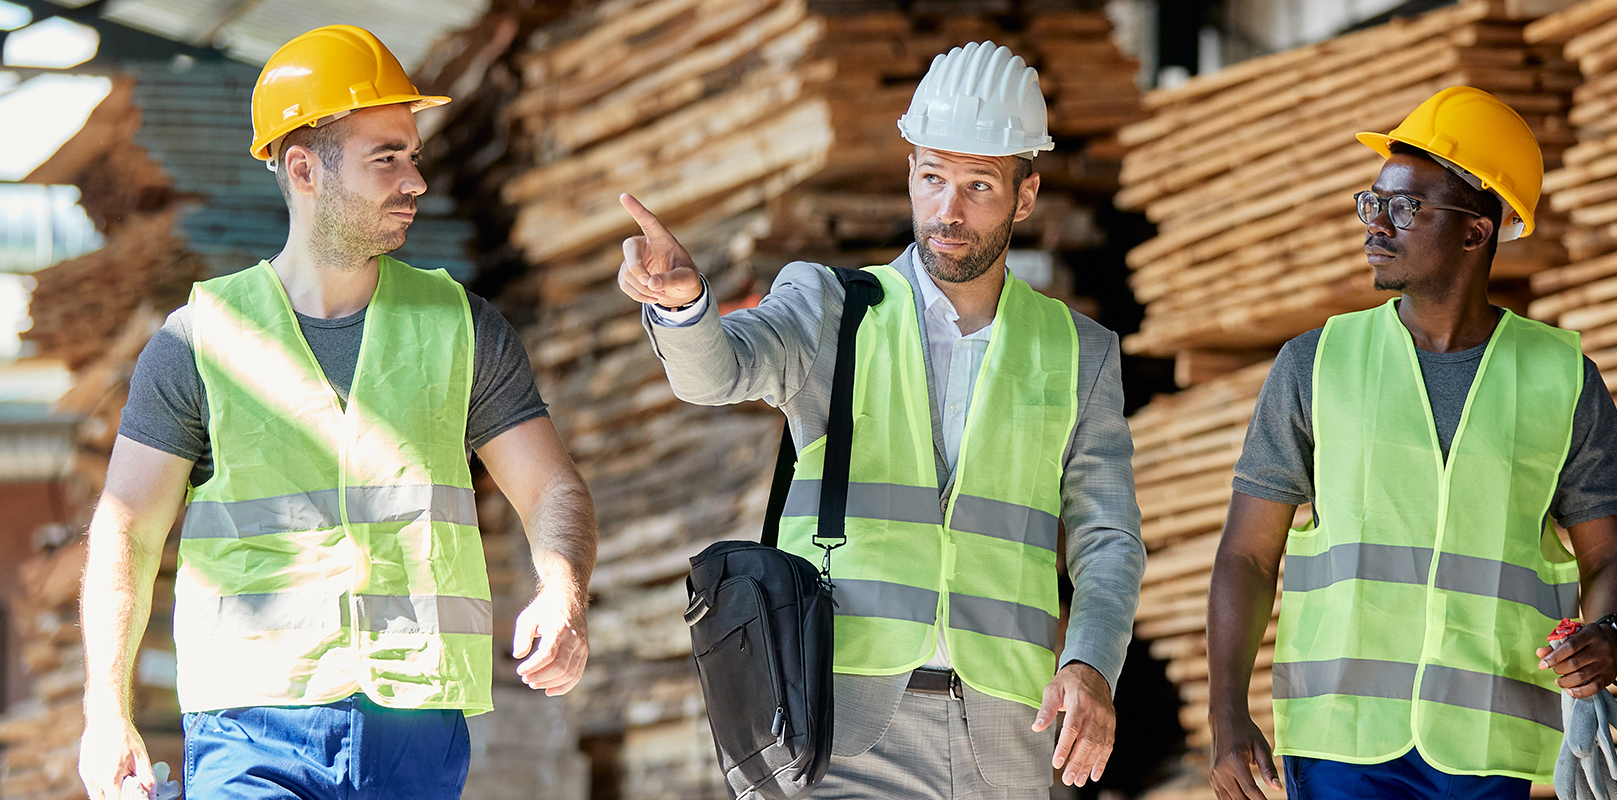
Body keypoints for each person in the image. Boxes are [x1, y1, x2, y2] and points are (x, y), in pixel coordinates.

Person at [75, 25, 596, 800]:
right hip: (252, 723)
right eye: (386, 158)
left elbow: (553, 490)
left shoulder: (463, 329)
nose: (414, 181)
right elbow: (127, 531)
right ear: (303, 170)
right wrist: (103, 709)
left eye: (413, 156)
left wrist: (563, 595)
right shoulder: (199, 343)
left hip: (415, 727)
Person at [616, 40, 1145, 799]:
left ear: (1026, 197)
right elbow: (719, 372)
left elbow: (1108, 536)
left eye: (978, 186)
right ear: (909, 170)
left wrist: (1090, 664)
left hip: (1010, 736)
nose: (947, 211)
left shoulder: (1078, 351)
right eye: (931, 178)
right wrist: (681, 305)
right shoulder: (832, 307)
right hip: (839, 729)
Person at [1205, 86, 1617, 800]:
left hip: (1486, 750)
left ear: (1478, 231)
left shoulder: (1561, 379)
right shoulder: (1317, 364)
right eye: (1372, 202)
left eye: (1405, 208)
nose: (1376, 225)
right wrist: (1227, 715)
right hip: (1338, 741)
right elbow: (1247, 555)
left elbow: (1615, 556)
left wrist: (1610, 635)